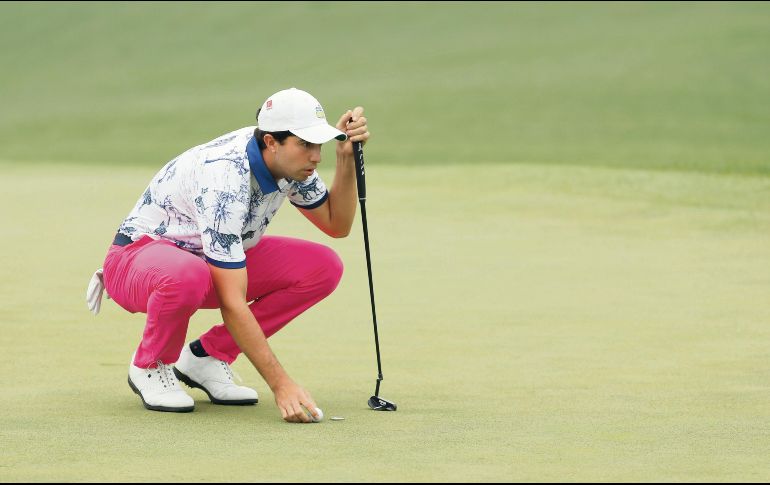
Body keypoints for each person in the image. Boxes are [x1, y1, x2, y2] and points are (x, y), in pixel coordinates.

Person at [86, 88, 369, 423]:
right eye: (305, 145)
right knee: (188, 276)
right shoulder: (225, 178)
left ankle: (206, 356)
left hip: (203, 261)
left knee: (322, 268)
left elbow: (337, 224)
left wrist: (346, 159)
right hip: (136, 262)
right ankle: (149, 364)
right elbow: (232, 302)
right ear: (271, 142)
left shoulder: (291, 166)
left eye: (317, 145)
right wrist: (281, 385)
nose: (315, 156)